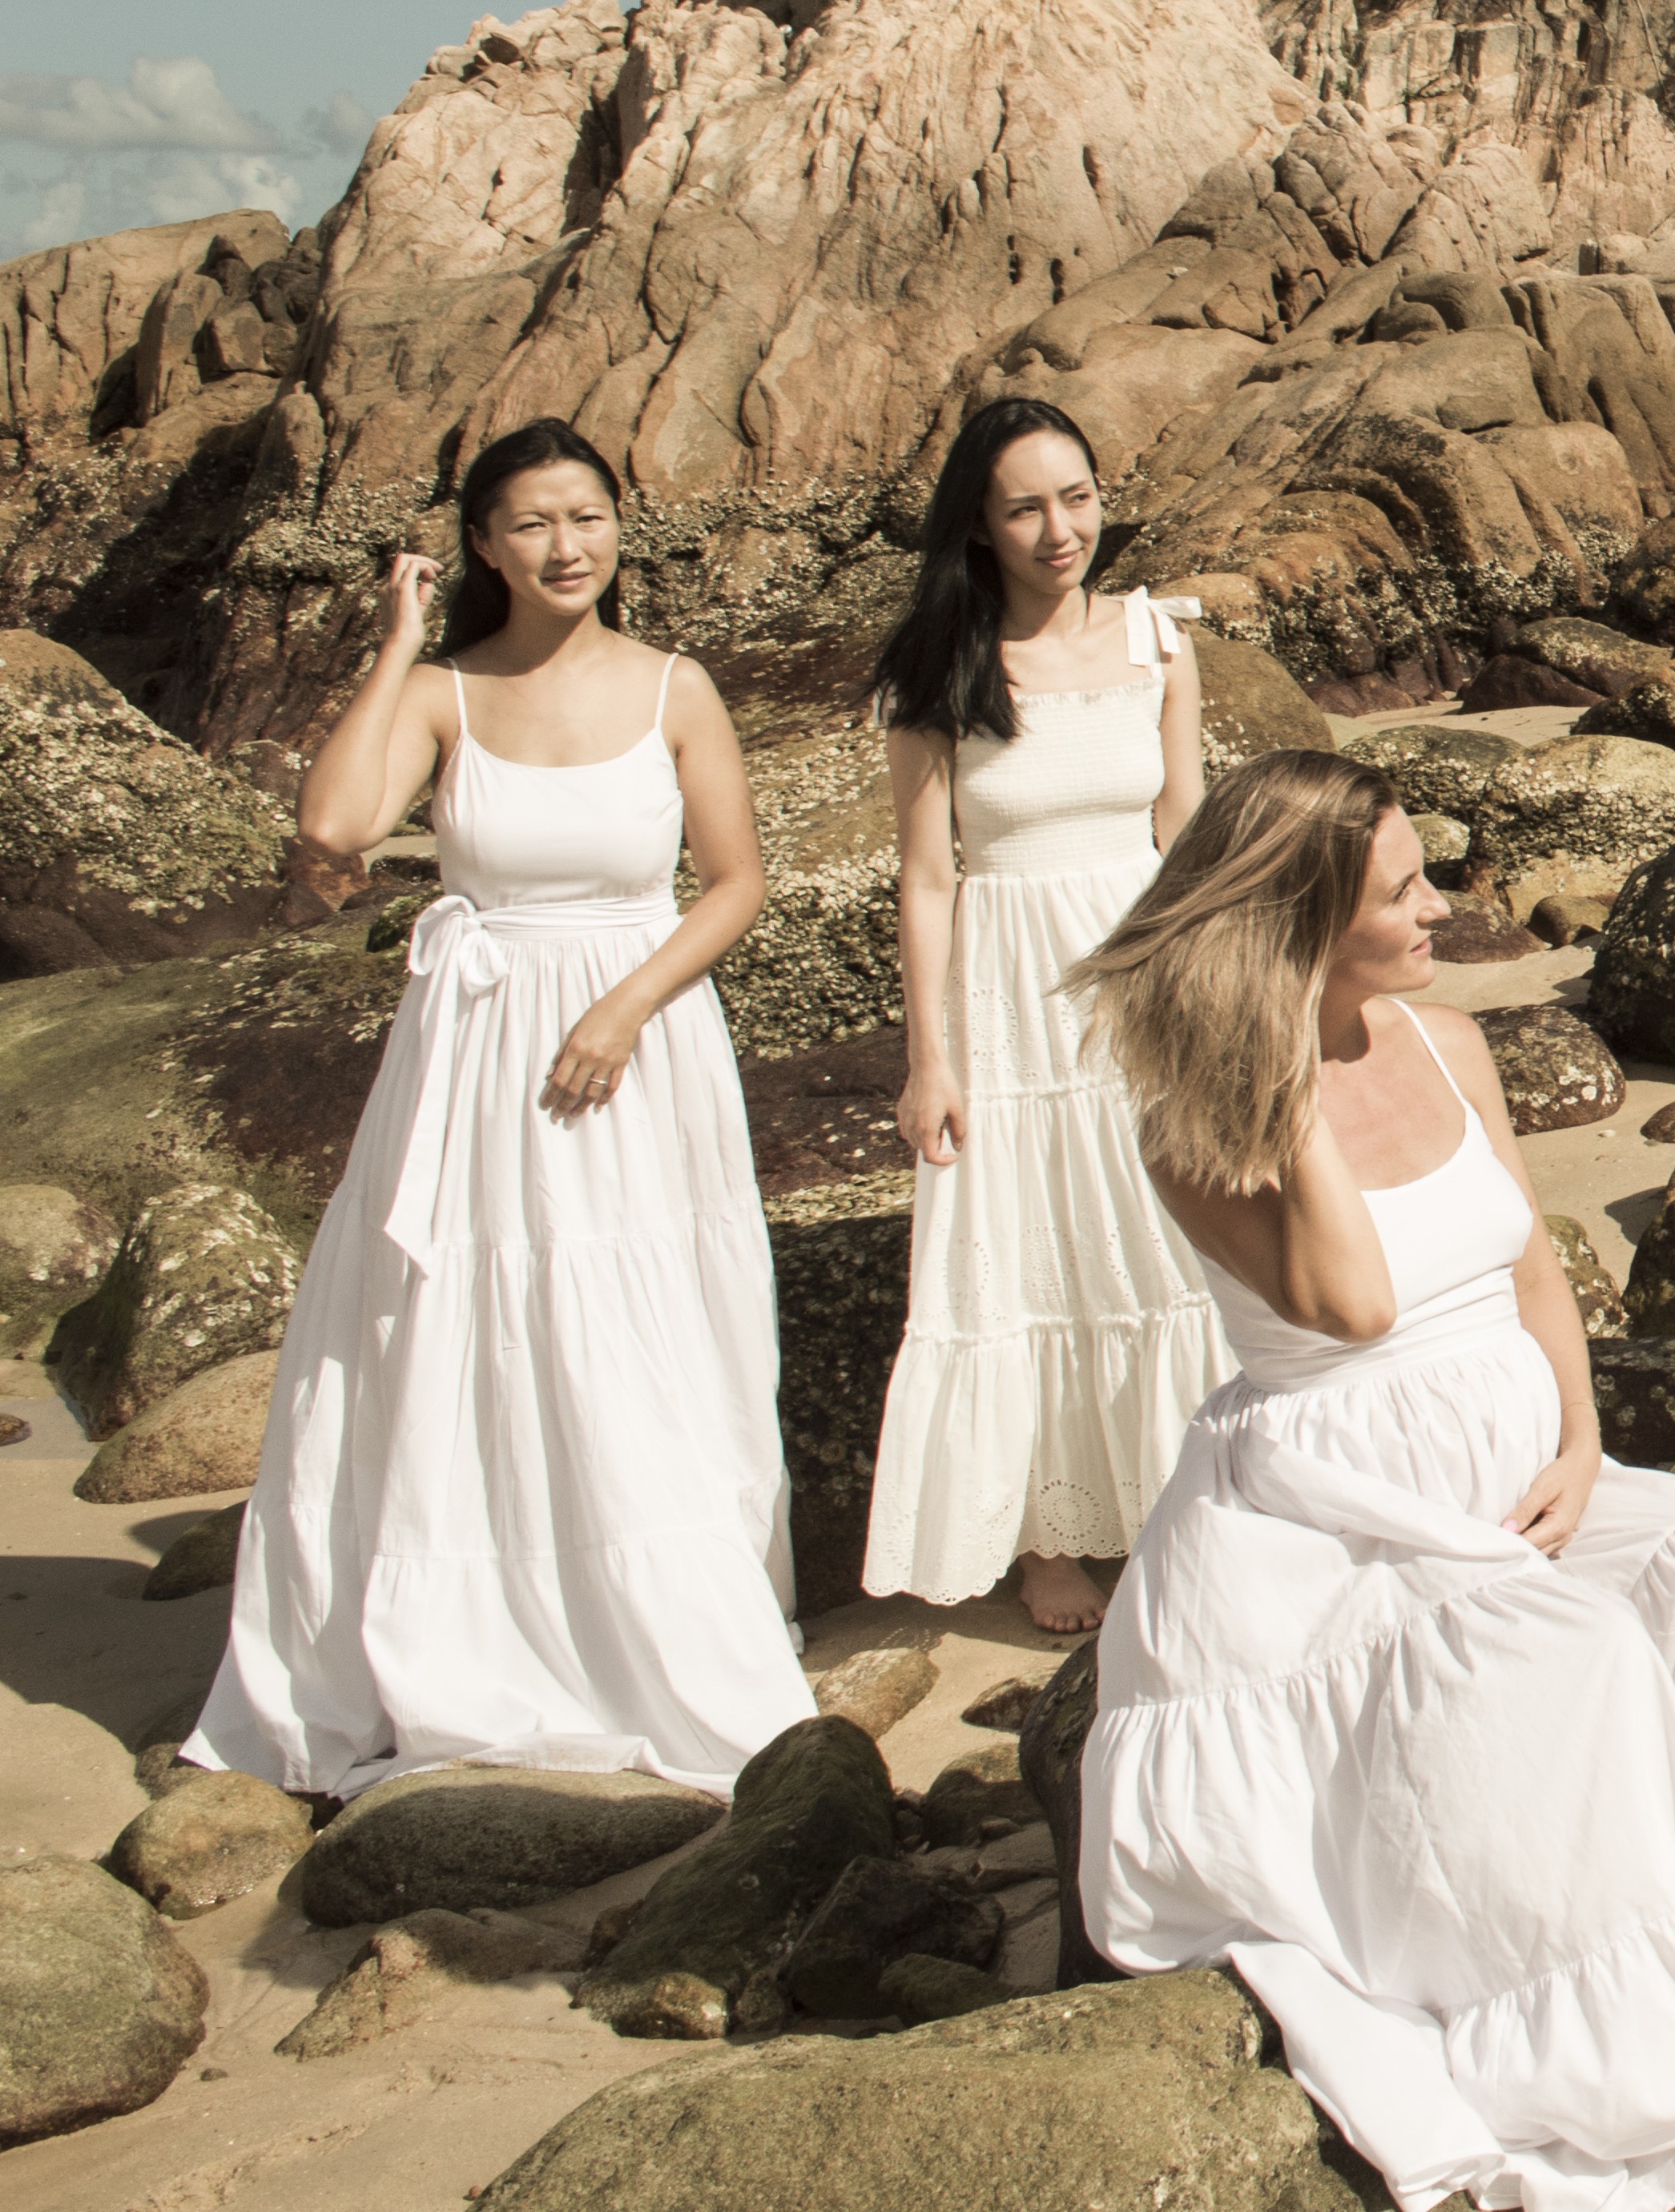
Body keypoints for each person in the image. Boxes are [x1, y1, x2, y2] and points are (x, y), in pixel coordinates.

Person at [1072, 751, 1675, 2212]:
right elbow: (1353, 1304)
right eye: (1400, 891)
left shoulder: (1449, 1042)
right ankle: (1670, 2102)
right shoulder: (1200, 1116)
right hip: (1340, 1515)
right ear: (1300, 925)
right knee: (1565, 1664)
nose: (1443, 905)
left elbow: (1530, 1263)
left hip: (1520, 1465)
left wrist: (1580, 1440)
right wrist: (1285, 1061)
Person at [187, 419, 816, 1799]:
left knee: (633, 1317)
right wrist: (400, 638)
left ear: (618, 525)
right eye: (532, 522)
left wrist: (621, 1007)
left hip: (636, 1041)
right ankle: (471, 1625)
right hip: (475, 1052)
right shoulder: (447, 692)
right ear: (485, 543)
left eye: (587, 515)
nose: (567, 544)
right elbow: (339, 830)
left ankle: (657, 1626)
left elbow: (733, 884)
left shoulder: (674, 687)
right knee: (460, 1320)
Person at [855, 397, 1231, 1634]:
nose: (1059, 528)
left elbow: (1184, 833)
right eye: (1025, 505)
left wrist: (1225, 993)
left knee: (1169, 1239)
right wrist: (930, 1060)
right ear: (981, 521)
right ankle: (1048, 1535)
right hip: (1008, 988)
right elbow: (925, 878)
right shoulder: (937, 670)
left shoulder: (1159, 640)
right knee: (1026, 1257)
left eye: (1077, 496)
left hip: (1141, 967)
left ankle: (1200, 1495)